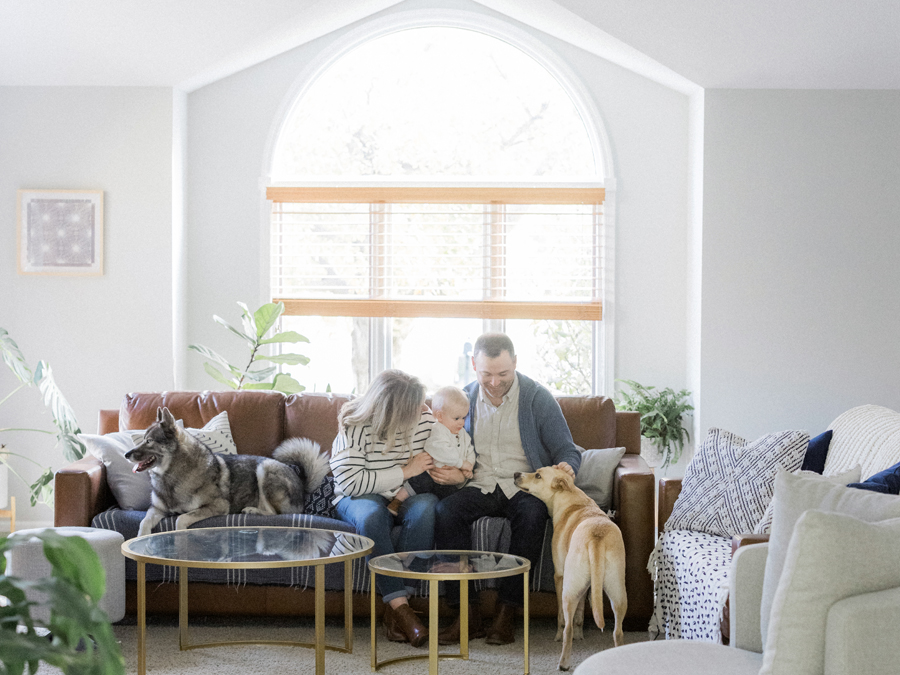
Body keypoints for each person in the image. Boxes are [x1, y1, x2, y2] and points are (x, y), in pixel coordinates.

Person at [431, 333, 582, 646]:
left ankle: (507, 612)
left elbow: (567, 450)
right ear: (474, 365)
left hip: (522, 486)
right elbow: (444, 444)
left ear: (515, 363)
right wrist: (449, 472)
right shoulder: (465, 399)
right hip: (480, 484)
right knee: (445, 512)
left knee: (533, 515)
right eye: (486, 374)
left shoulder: (537, 398)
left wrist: (568, 466)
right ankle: (466, 614)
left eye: (503, 374)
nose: (495, 383)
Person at [330, 369, 437, 647]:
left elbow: (441, 455)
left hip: (406, 493)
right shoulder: (355, 424)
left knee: (427, 508)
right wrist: (405, 470)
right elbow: (351, 483)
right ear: (391, 411)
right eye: (413, 408)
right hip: (360, 495)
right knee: (372, 516)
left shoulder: (424, 419)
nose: (422, 411)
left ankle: (397, 613)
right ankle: (403, 610)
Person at [386, 386, 476, 515]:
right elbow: (442, 451)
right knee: (418, 482)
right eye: (456, 418)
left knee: (453, 498)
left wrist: (469, 466)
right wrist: (461, 464)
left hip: (448, 479)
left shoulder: (462, 434)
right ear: (439, 416)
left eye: (464, 417)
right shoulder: (438, 430)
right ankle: (397, 501)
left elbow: (469, 449)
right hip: (430, 473)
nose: (461, 422)